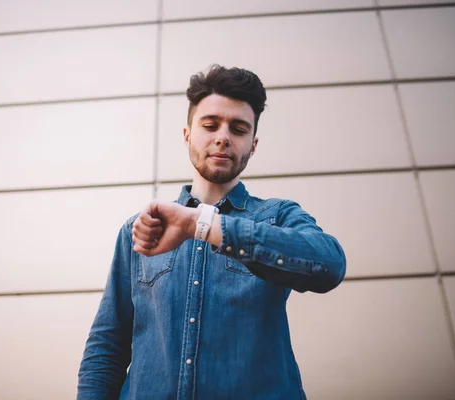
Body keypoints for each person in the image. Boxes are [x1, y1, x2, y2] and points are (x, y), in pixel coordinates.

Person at [77, 65, 346, 400]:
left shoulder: (277, 216)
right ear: (188, 134)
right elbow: (107, 346)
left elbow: (329, 264)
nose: (223, 137)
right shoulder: (140, 230)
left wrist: (201, 225)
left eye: (238, 128)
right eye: (210, 125)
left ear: (253, 145)